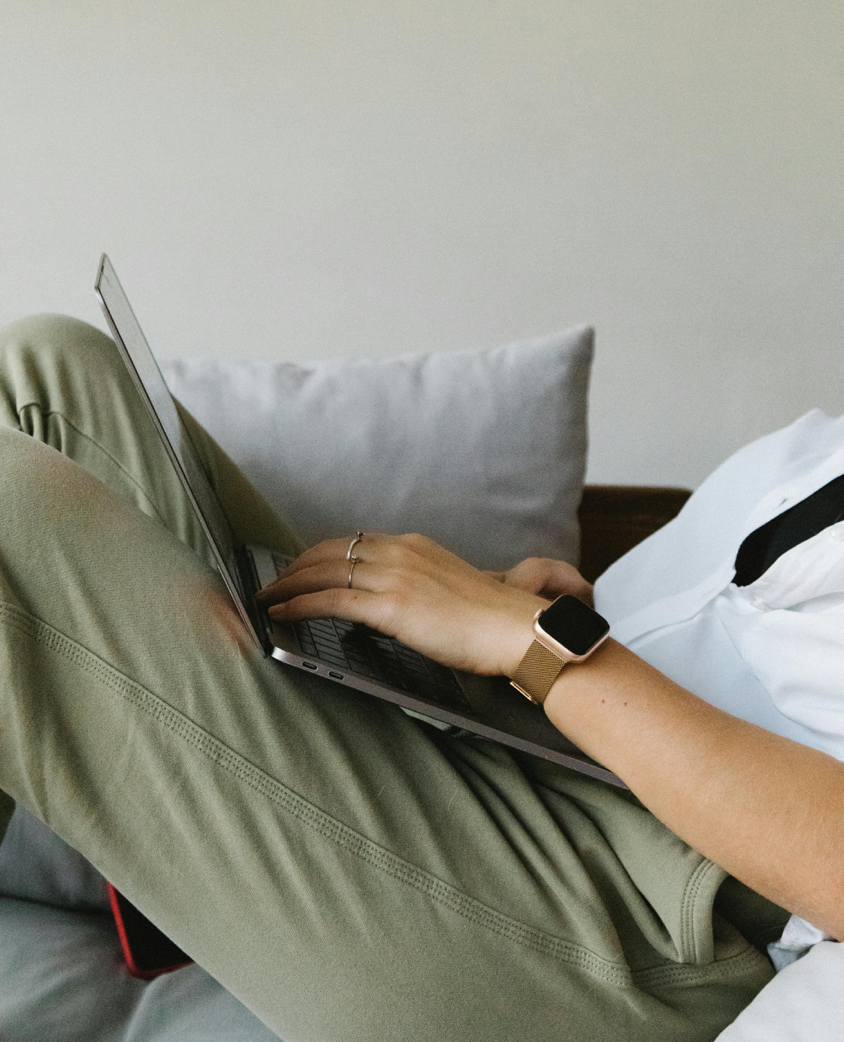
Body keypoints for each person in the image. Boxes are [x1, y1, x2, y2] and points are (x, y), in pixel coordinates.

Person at [0, 313, 841, 1042]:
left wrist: (541, 644)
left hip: (655, 929)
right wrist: (562, 617)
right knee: (49, 368)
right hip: (558, 750)